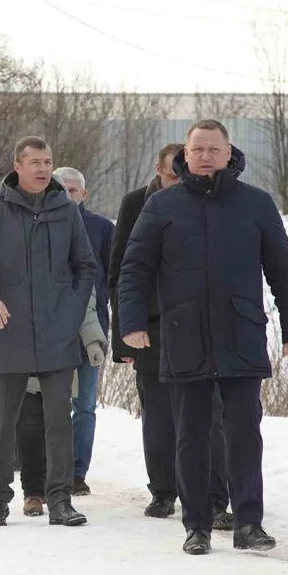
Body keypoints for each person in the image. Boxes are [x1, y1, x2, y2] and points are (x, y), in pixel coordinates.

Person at [118, 120, 288, 555]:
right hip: (183, 334)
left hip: (240, 331)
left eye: (213, 149)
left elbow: (283, 269)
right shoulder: (162, 206)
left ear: (229, 154)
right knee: (191, 433)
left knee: (244, 430)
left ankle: (248, 524)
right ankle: (198, 526)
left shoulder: (256, 205)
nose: (205, 156)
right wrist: (130, 324)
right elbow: (134, 269)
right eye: (197, 149)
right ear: (184, 156)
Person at [0, 136, 97, 527]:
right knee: (5, 420)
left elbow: (85, 266)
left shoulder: (66, 210)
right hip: (8, 329)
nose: (42, 169)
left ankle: (60, 499)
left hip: (57, 330)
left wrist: (71, 312)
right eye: (35, 162)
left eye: (47, 161)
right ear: (17, 165)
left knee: (59, 419)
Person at [109, 143, 233, 528]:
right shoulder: (136, 205)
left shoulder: (207, 203)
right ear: (158, 171)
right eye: (171, 174)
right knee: (159, 418)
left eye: (182, 174)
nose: (177, 181)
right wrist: (123, 337)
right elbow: (120, 273)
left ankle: (215, 498)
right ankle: (164, 491)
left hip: (199, 326)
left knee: (209, 417)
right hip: (150, 328)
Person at [0, 293, 105, 516]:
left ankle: (60, 497)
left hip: (58, 347)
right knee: (28, 425)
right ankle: (32, 492)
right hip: (16, 345)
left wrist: (91, 339)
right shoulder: (9, 257)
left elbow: (83, 296)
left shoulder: (67, 257)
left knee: (58, 426)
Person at [54, 166, 114, 497]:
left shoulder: (102, 229)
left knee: (86, 404)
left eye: (74, 190)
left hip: (93, 331)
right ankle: (56, 467)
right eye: (62, 189)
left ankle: (78, 471)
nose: (68, 195)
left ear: (84, 194)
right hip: (54, 331)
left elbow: (114, 276)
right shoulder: (45, 226)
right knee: (54, 401)